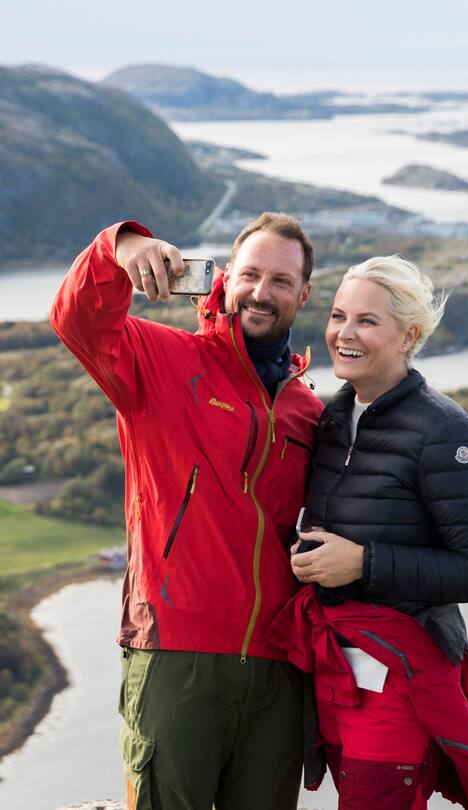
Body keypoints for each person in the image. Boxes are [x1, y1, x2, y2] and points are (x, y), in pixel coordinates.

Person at [49, 212, 324, 810]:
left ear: (303, 295)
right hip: (177, 653)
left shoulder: (308, 410)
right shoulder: (164, 362)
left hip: (277, 673)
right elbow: (76, 319)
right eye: (251, 273)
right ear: (226, 278)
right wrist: (121, 246)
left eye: (281, 281)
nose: (262, 291)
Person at [270, 255, 468, 809]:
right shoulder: (332, 419)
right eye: (337, 316)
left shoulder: (447, 432)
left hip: (402, 677)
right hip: (336, 670)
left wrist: (363, 563)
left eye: (366, 321)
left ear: (408, 336)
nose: (344, 334)